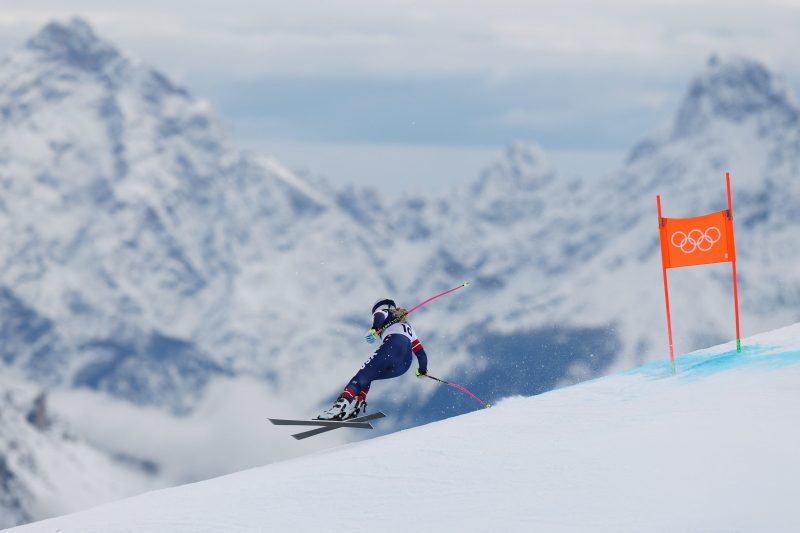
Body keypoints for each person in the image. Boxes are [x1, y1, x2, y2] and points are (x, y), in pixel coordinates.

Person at [315, 298, 429, 420]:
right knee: (369, 376)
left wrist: (374, 329)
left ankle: (338, 408)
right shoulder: (409, 328)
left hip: (391, 349)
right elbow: (421, 354)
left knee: (361, 376)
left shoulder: (385, 311)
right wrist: (422, 371)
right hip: (404, 365)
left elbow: (379, 316)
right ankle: (355, 405)